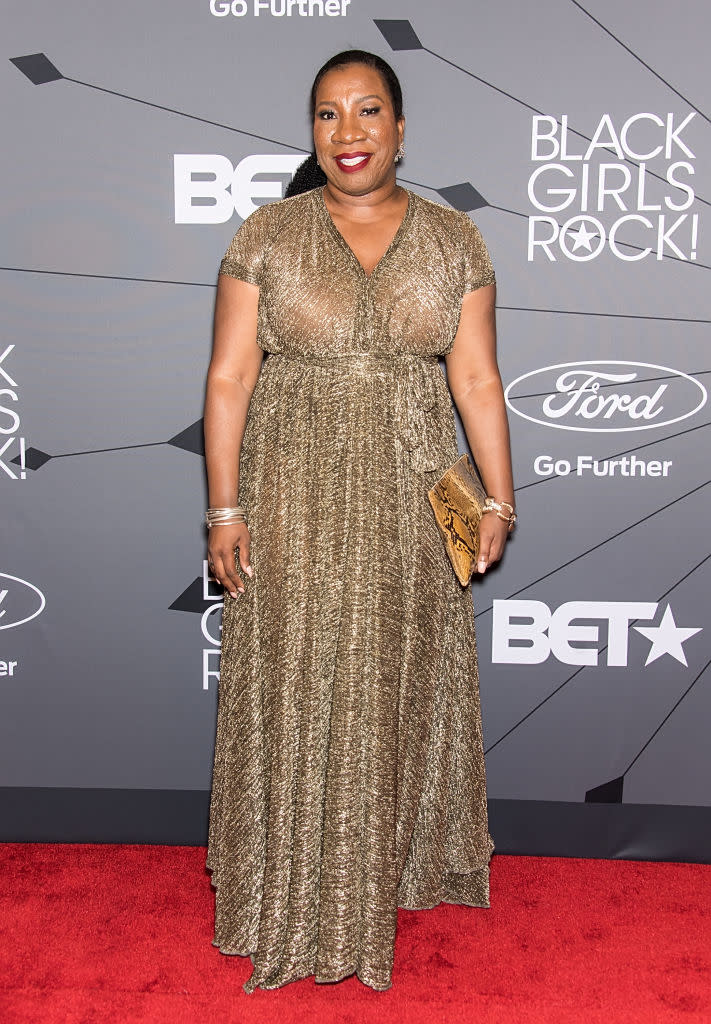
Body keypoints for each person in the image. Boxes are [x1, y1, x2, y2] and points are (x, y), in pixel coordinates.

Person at [203, 49, 515, 994]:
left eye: (368, 111)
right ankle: (287, 888)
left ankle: (390, 870)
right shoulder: (266, 232)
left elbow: (476, 379)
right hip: (292, 486)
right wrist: (223, 507)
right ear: (313, 132)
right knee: (298, 681)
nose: (349, 133)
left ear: (401, 128)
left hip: (415, 491)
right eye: (329, 115)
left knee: (396, 682)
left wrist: (498, 496)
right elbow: (228, 378)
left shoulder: (456, 237)